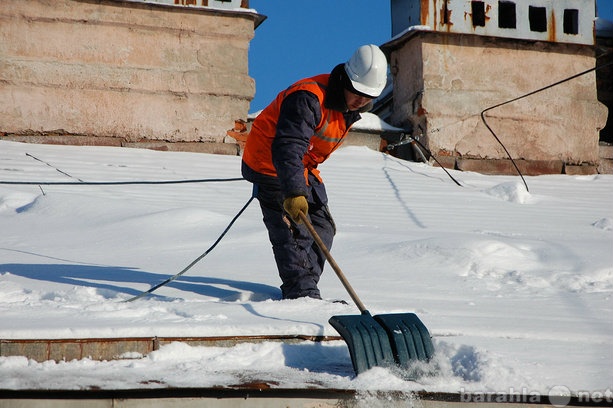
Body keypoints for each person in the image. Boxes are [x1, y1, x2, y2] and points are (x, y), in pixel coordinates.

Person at [241, 44, 388, 300]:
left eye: (368, 97)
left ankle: (304, 287)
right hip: (271, 164)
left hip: (303, 167)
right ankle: (302, 293)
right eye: (357, 93)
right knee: (294, 230)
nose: (362, 101)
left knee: (322, 227)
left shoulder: (348, 110)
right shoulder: (308, 98)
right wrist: (294, 192)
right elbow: (288, 146)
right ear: (346, 79)